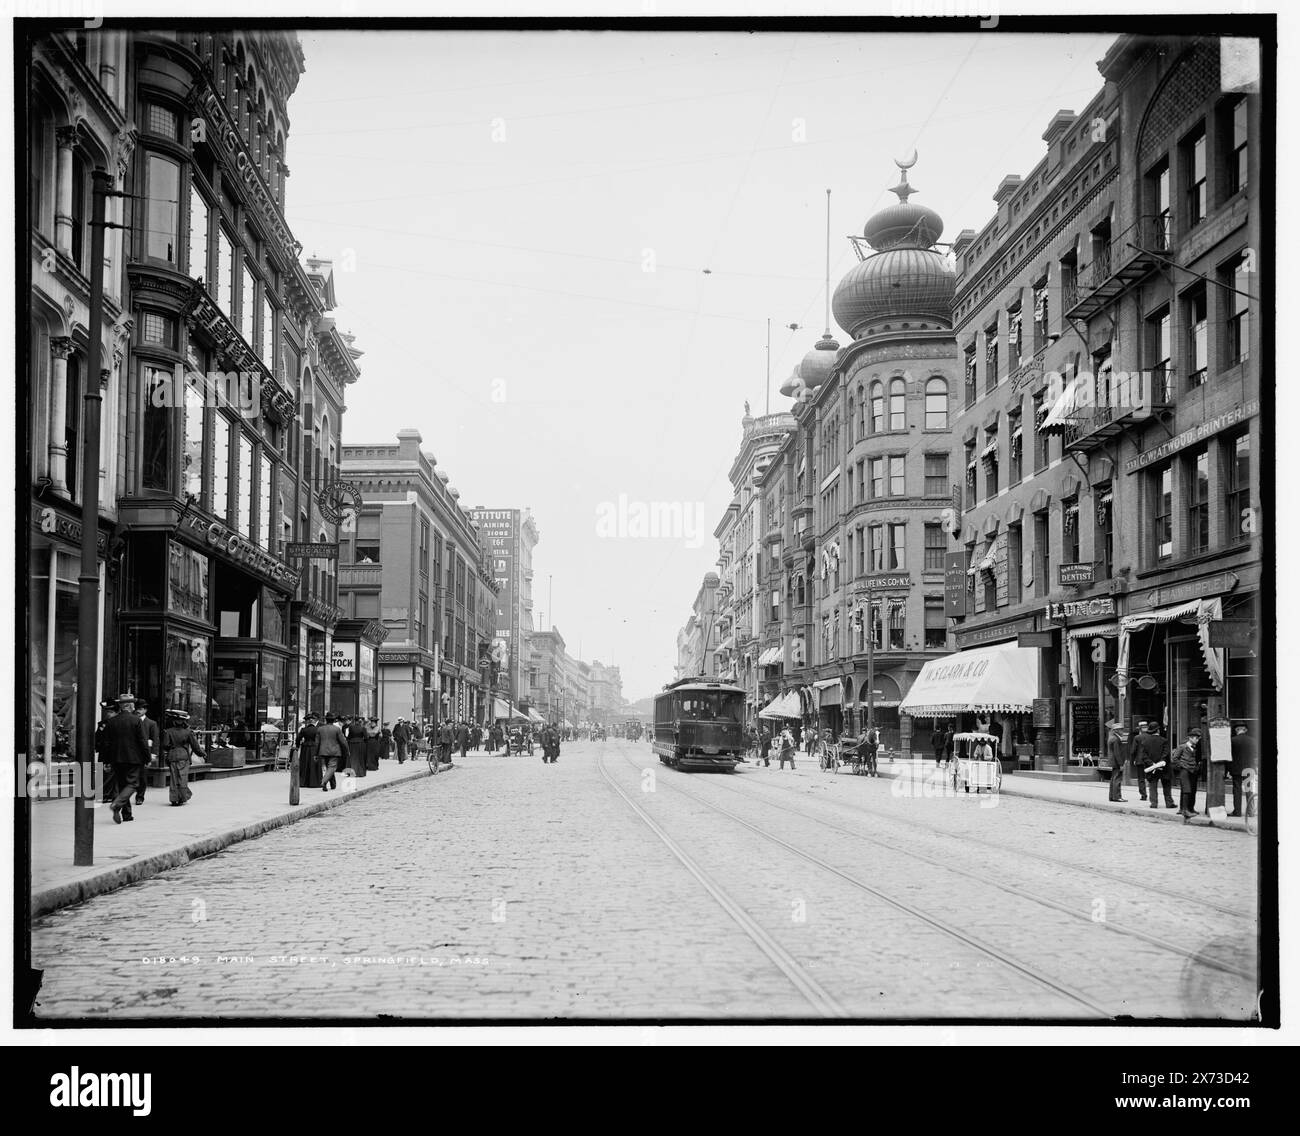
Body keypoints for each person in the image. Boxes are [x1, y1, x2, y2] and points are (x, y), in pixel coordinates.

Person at [100, 694, 151, 823]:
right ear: (129, 706)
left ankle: (127, 814)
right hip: (133, 759)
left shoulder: (111, 721)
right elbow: (142, 741)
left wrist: (105, 761)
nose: (135, 706)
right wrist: (147, 758)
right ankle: (117, 804)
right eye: (133, 704)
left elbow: (106, 743)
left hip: (116, 759)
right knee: (133, 784)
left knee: (123, 786)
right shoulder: (136, 720)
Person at [162, 709, 205, 806]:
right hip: (183, 756)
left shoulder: (168, 732)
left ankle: (174, 798)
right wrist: (202, 754)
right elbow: (195, 747)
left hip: (172, 756)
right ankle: (181, 798)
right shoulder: (188, 732)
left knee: (174, 777)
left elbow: (165, 745)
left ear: (174, 721)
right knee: (182, 777)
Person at [1134, 721, 1175, 809]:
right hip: (1164, 767)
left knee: (1152, 785)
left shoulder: (1145, 742)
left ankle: (1154, 803)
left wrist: (1152, 764)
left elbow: (1143, 755)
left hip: (1151, 767)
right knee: (1166, 785)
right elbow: (1166, 753)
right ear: (1158, 730)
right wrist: (1160, 763)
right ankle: (1169, 803)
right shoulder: (1164, 740)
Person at [1173, 727, 1203, 821]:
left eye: (1198, 738)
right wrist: (1182, 766)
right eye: (1195, 738)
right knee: (1186, 789)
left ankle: (1190, 808)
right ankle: (1184, 810)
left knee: (1193, 790)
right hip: (1185, 771)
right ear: (1190, 738)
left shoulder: (1195, 748)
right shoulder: (1182, 747)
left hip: (1193, 771)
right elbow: (1175, 758)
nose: (1197, 740)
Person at [134, 702, 160, 806]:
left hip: (144, 753)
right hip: (132, 752)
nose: (138, 710)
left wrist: (153, 754)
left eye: (140, 709)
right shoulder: (133, 720)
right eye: (137, 708)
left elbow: (155, 739)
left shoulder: (151, 723)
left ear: (145, 710)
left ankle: (140, 797)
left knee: (142, 776)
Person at [1228, 723, 1256, 817]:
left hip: (1236, 770)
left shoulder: (1232, 740)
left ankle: (1237, 812)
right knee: (1249, 790)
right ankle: (1251, 811)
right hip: (1249, 769)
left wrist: (1228, 769)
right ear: (1245, 730)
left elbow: (1229, 756)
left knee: (1237, 790)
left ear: (1236, 730)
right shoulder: (1252, 741)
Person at [316, 712, 348, 791]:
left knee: (329, 768)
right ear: (333, 720)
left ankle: (333, 784)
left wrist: (316, 754)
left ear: (326, 720)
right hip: (334, 751)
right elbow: (343, 741)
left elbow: (317, 743)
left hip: (323, 751)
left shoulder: (320, 729)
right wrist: (347, 750)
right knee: (331, 768)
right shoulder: (337, 729)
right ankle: (324, 782)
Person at [1106, 720, 1131, 803]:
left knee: (1113, 778)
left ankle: (1112, 796)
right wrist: (1121, 764)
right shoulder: (1116, 739)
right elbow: (1117, 753)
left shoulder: (1112, 738)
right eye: (1121, 729)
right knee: (1117, 779)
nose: (1122, 731)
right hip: (1116, 762)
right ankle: (1117, 797)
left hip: (1113, 761)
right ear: (1116, 730)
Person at [295, 713, 321, 787]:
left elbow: (298, 739)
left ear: (308, 722)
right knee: (314, 764)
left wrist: (297, 746)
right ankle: (315, 782)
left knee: (305, 764)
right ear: (313, 721)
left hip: (305, 748)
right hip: (315, 748)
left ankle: (304, 782)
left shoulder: (304, 730)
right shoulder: (317, 729)